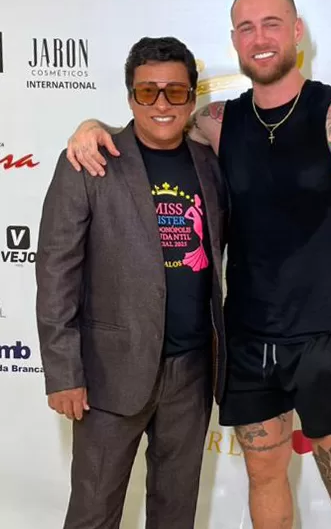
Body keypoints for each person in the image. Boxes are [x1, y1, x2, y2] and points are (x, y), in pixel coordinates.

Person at [65, 0, 331, 529]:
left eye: (271, 24)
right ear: (235, 40)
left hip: (325, 338)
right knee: (264, 477)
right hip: (247, 340)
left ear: (296, 32)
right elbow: (153, 126)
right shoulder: (217, 123)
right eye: (247, 28)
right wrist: (90, 127)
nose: (259, 38)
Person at [35, 36, 228, 529]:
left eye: (175, 91)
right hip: (108, 373)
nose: (162, 103)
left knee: (175, 513)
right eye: (147, 91)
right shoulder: (90, 160)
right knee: (94, 512)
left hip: (191, 370)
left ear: (191, 97)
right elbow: (56, 270)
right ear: (130, 97)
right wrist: (64, 372)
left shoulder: (211, 164)